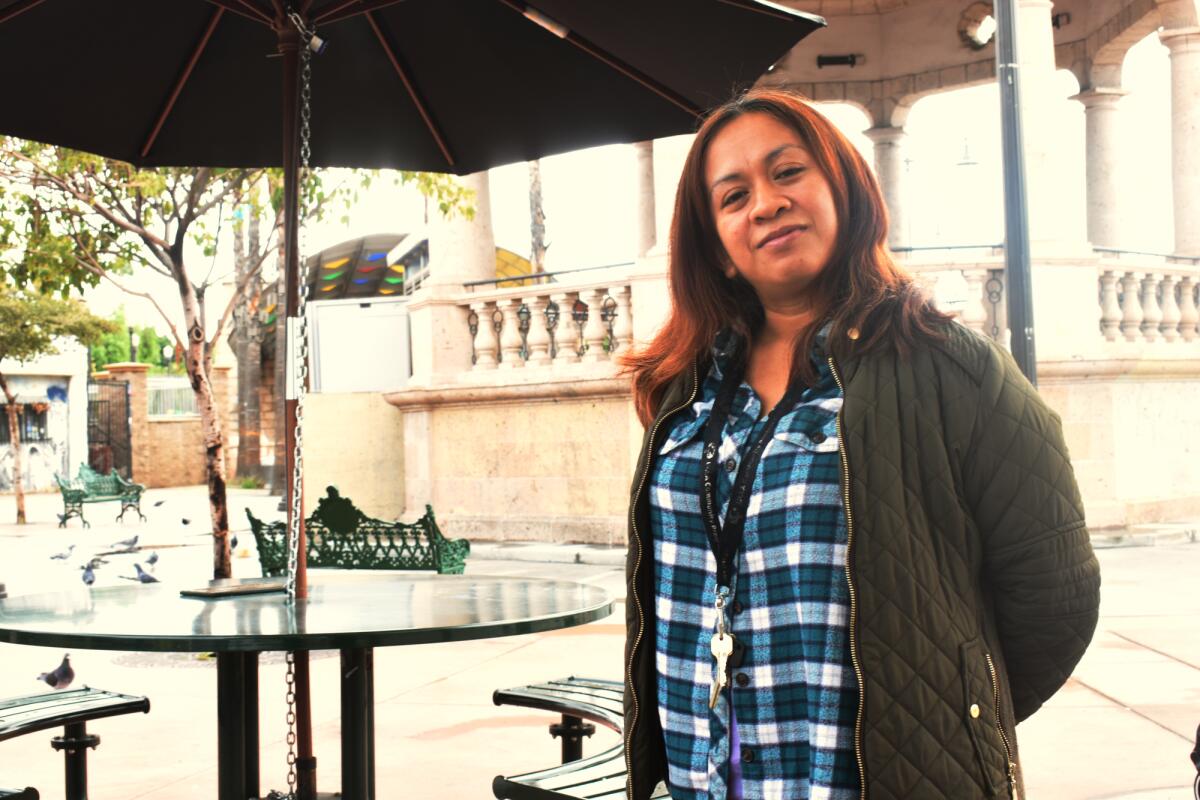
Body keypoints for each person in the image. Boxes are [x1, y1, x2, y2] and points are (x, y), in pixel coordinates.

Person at [620, 88, 1101, 800]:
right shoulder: (682, 391)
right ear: (717, 249)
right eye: (733, 196)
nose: (766, 203)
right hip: (707, 778)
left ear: (843, 188)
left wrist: (944, 720)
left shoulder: (951, 368)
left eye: (789, 172)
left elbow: (1055, 595)